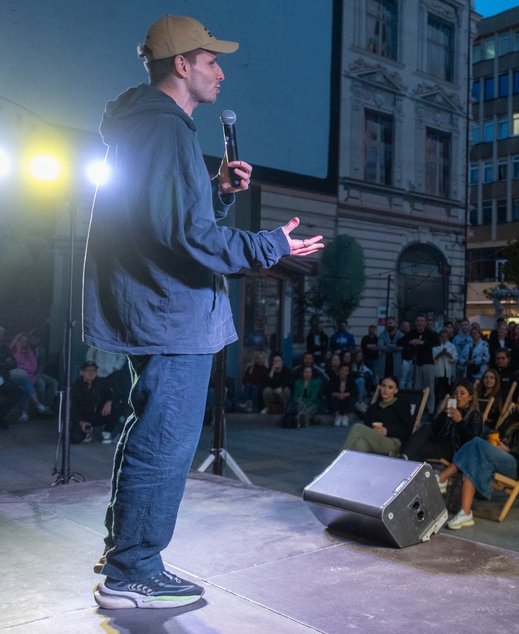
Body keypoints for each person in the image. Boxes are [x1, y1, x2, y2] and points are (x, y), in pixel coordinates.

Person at [82, 14, 324, 610]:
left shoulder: (148, 127)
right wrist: (274, 245)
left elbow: (168, 221)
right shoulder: (165, 132)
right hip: (171, 313)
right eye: (211, 60)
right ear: (181, 65)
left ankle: (125, 549)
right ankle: (132, 571)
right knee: (164, 440)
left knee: (150, 430)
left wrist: (214, 190)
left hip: (157, 308)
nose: (221, 71)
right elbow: (190, 238)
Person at [435, 391, 519, 530]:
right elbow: (496, 432)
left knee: (475, 442)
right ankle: (465, 513)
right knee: (472, 465)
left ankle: (442, 478)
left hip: (516, 463)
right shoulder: (512, 419)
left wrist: (509, 450)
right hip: (497, 457)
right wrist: (493, 440)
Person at [403, 381, 483, 462]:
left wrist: (460, 422)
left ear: (470, 397)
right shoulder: (451, 410)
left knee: (417, 447)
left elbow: (473, 440)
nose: (458, 396)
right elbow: (433, 428)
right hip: (439, 443)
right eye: (456, 393)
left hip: (454, 449)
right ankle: (404, 458)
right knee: (425, 428)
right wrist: (443, 414)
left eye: (462, 393)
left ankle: (404, 459)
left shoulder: (475, 415)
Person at [340, 376, 413, 457]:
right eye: (383, 386)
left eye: (390, 387)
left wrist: (387, 430)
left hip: (392, 442)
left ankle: (337, 461)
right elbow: (366, 425)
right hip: (374, 438)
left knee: (357, 427)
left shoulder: (401, 406)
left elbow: (407, 428)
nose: (386, 390)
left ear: (396, 390)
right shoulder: (374, 407)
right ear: (380, 387)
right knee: (360, 444)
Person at [400, 315, 439, 413]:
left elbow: (437, 343)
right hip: (416, 364)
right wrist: (411, 342)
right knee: (417, 389)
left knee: (429, 388)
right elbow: (400, 342)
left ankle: (430, 410)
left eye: (422, 321)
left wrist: (422, 343)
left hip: (428, 363)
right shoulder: (412, 333)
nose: (419, 323)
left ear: (425, 323)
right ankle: (416, 410)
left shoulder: (431, 334)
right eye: (418, 321)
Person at [70, 361, 114, 444]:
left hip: (98, 414)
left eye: (93, 370)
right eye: (88, 370)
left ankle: (105, 431)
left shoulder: (101, 383)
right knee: (75, 438)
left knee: (115, 406)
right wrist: (80, 422)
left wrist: (109, 402)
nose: (91, 373)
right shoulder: (76, 387)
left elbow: (111, 394)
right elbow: (73, 408)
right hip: (83, 417)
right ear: (82, 372)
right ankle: (88, 432)